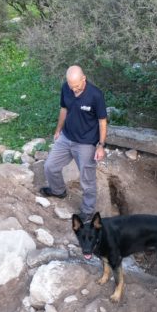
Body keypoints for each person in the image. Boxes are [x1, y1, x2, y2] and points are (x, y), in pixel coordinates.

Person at [40, 65, 108, 217]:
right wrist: (58, 130)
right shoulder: (66, 88)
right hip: (67, 137)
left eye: (76, 86)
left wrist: (101, 145)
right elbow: (64, 109)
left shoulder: (95, 95)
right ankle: (58, 191)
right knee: (50, 166)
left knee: (87, 179)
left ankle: (87, 211)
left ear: (84, 79)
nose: (74, 90)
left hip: (86, 142)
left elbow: (102, 121)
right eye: (71, 86)